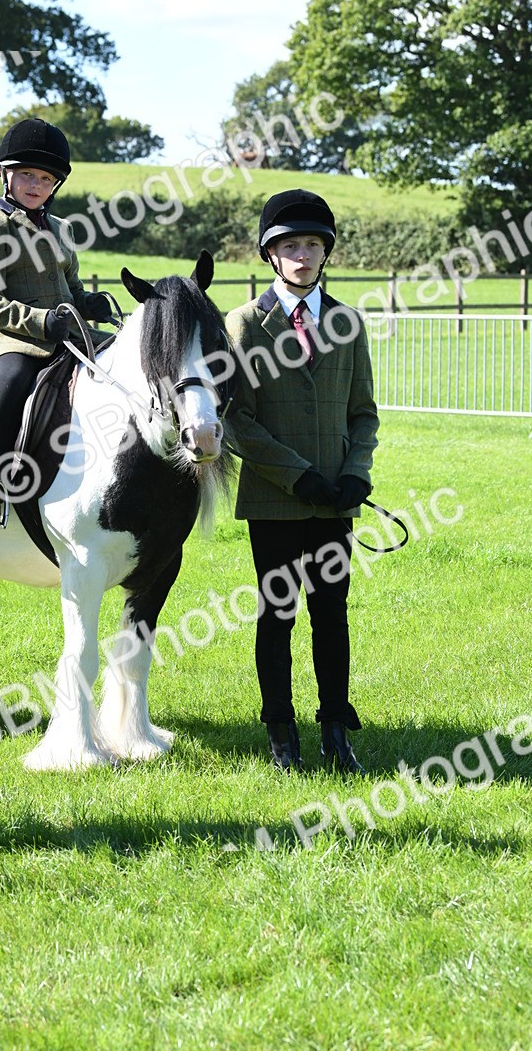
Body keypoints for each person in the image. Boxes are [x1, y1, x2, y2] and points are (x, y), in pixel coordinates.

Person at [224, 189, 379, 775]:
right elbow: (236, 418)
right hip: (274, 500)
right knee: (278, 614)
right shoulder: (243, 323)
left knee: (332, 613)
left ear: (325, 252)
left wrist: (355, 475)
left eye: (313, 244)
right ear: (270, 255)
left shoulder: (347, 322)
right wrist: (298, 476)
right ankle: (280, 731)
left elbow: (362, 412)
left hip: (335, 499)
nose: (303, 255)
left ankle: (336, 730)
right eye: (291, 245)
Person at [0, 116, 113, 525]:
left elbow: (71, 287)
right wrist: (41, 323)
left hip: (68, 332)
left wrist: (90, 304)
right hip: (10, 337)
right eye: (26, 175)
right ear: (6, 175)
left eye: (45, 179)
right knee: (17, 375)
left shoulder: (61, 228)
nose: (36, 185)